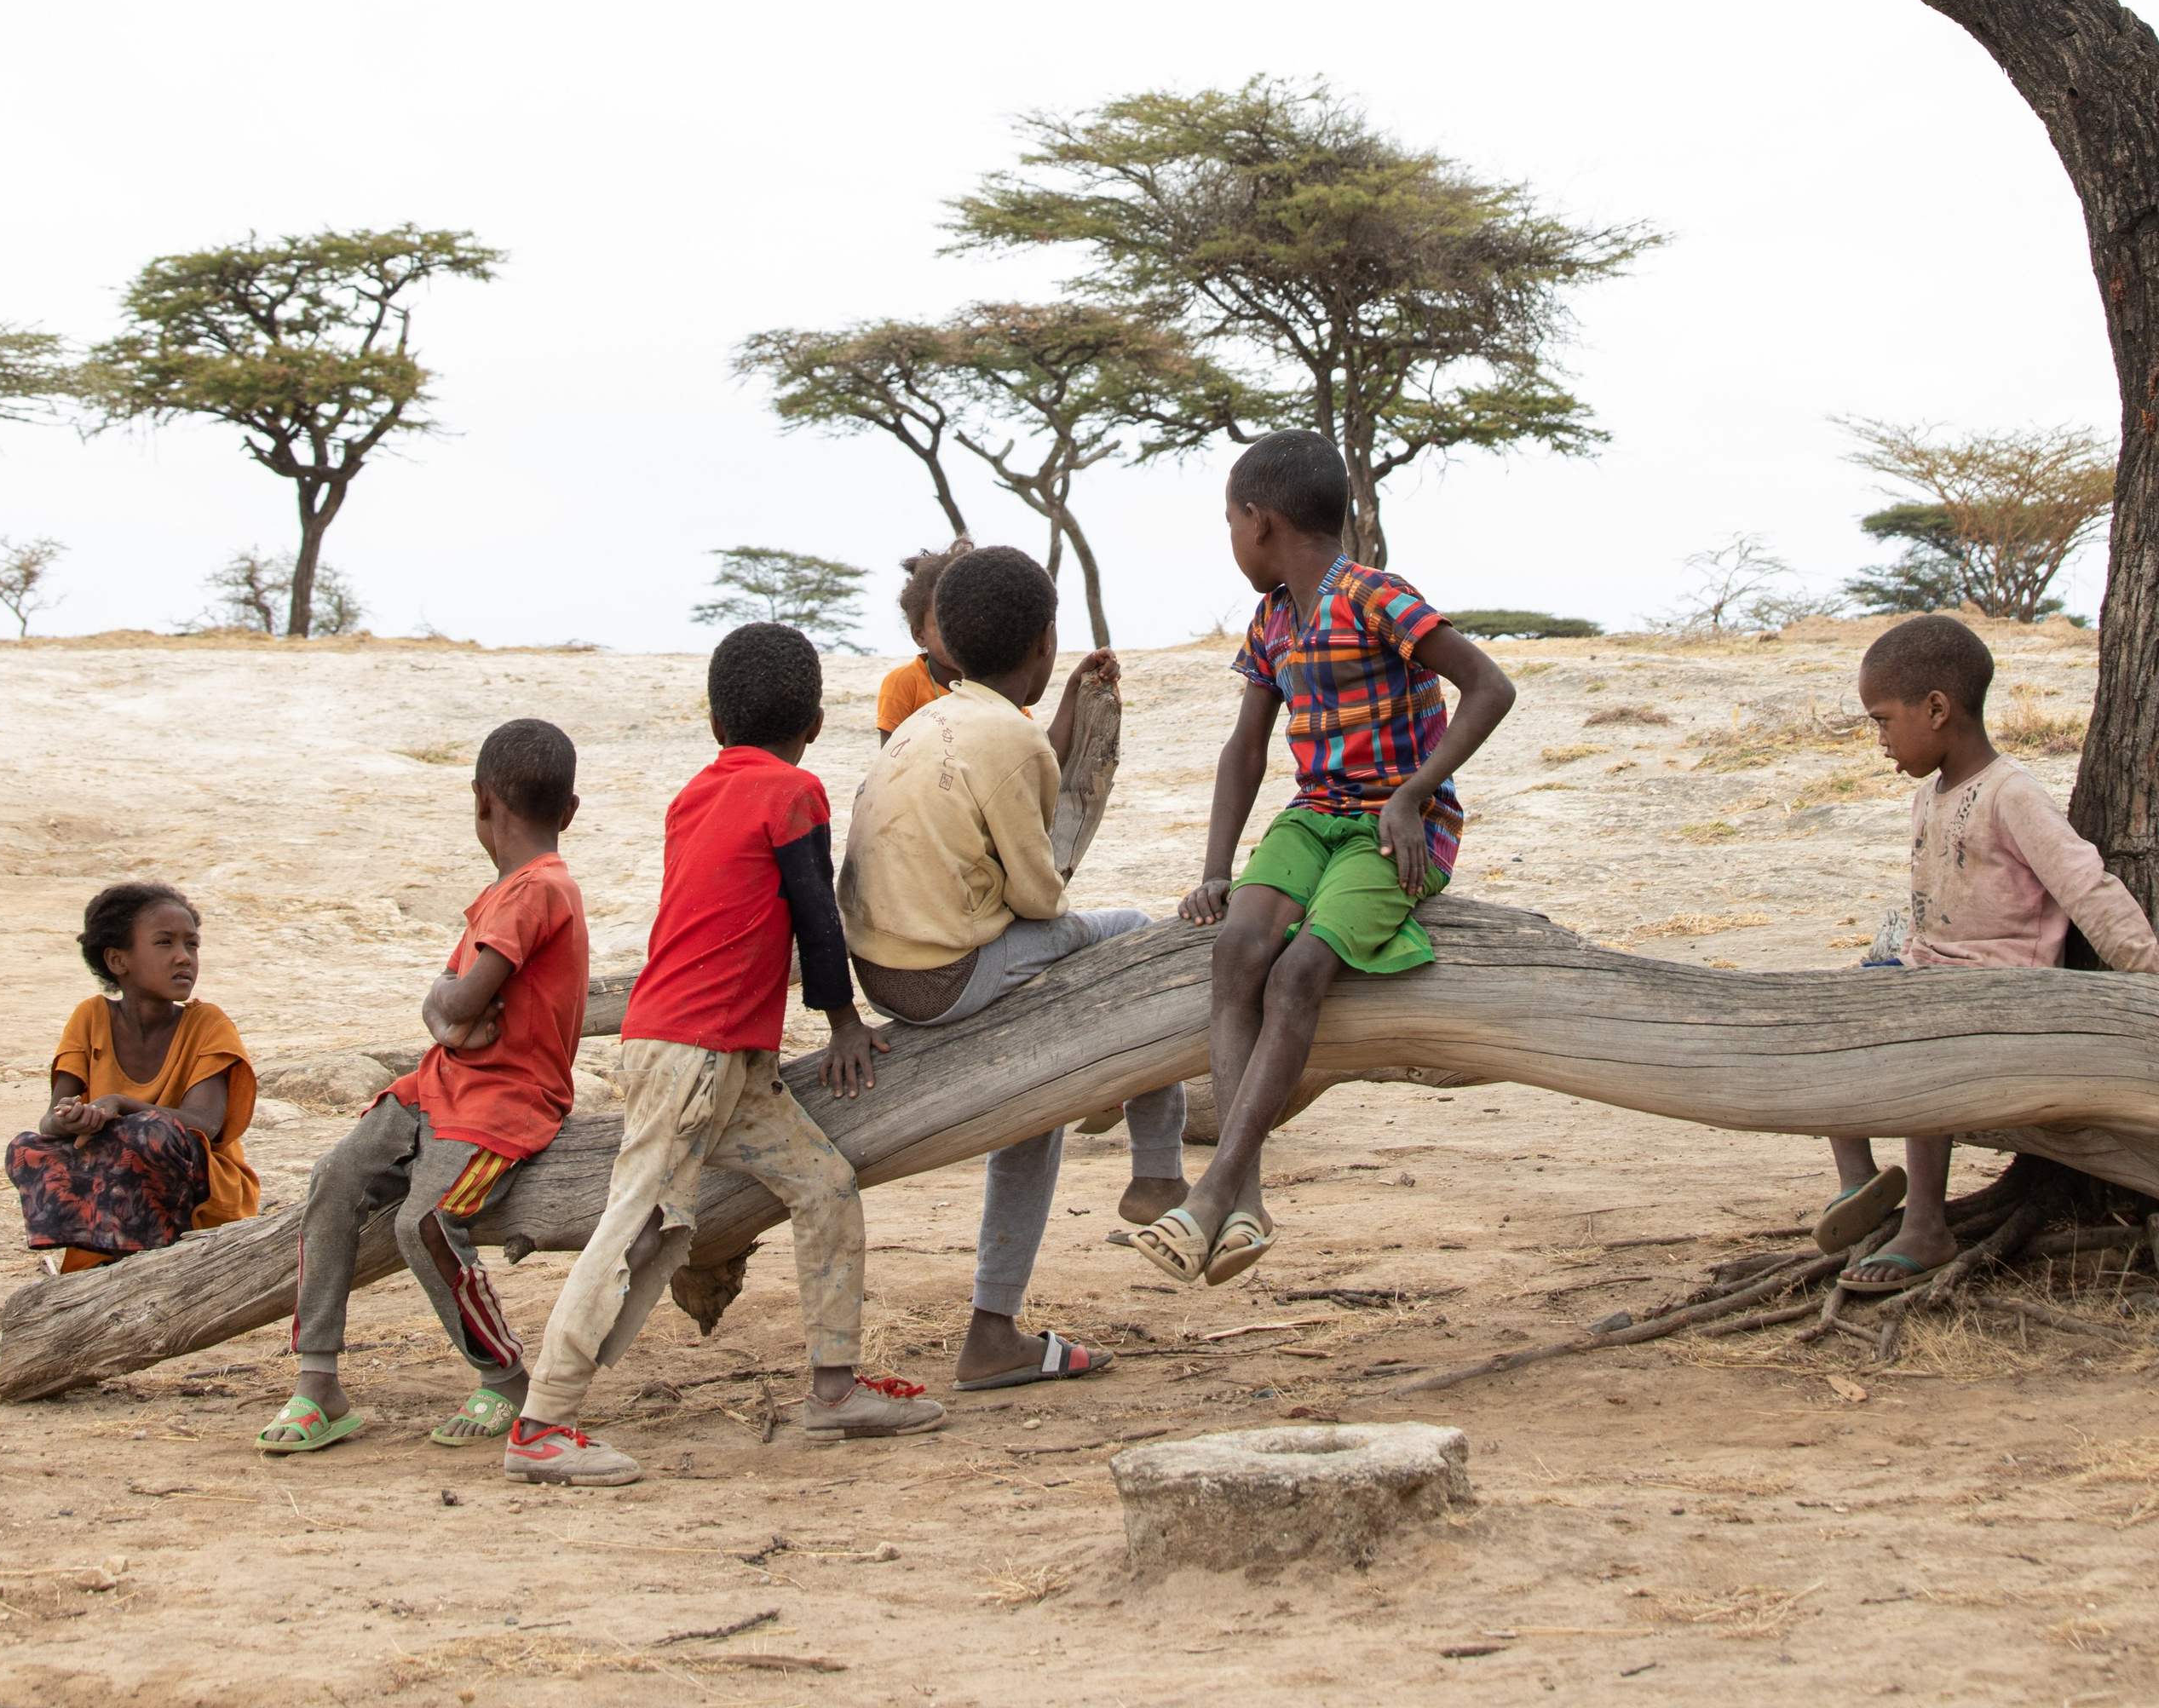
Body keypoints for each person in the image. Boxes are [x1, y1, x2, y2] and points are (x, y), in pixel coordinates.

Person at [507, 622, 944, 1483]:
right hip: (694, 1054)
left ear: (714, 721)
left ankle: (832, 1387)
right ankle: (543, 1424)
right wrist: (843, 1019)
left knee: (823, 1185)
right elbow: (816, 919)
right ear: (814, 722)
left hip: (708, 1052)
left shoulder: (693, 795)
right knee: (633, 1220)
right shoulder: (794, 793)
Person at [1140, 429, 1517, 1291]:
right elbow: (1245, 748)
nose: (1230, 540)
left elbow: (1489, 686)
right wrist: (1215, 867)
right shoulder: (1274, 619)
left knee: (1299, 970)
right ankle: (1247, 1200)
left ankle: (1214, 1189)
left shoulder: (1375, 597)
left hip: (1391, 826)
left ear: (1259, 520)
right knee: (1237, 949)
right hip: (1312, 818)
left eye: (1229, 522)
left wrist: (1414, 792)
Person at [838, 542, 1184, 1390]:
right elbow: (1040, 899)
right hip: (953, 976)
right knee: (1141, 937)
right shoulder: (1015, 741)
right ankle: (1157, 1171)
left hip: (882, 974)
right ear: (1044, 643)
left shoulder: (926, 717)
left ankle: (992, 1333)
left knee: (1034, 1113)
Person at [260, 716, 588, 1457]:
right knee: (333, 1179)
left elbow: (455, 1004)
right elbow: (450, 1012)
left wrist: (449, 1011)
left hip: (506, 1104)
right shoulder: (507, 891)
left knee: (426, 1224)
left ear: (480, 804)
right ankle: (318, 1381)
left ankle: (503, 1376)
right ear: (570, 811)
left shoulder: (540, 891)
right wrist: (449, 1014)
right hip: (438, 1087)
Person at [1819, 612, 2159, 1292]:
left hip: (2008, 1000)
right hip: (1939, 979)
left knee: (1929, 1042)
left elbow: (2087, 885)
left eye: (1882, 720)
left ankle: (1926, 1225)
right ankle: (1859, 1188)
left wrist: (2148, 974)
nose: (1879, 739)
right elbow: (1928, 911)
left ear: (1937, 709)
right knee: (1833, 1011)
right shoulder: (1929, 798)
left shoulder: (2013, 794)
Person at [8, 883, 258, 1273]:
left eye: (191, 945)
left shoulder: (207, 1023)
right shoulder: (90, 1017)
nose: (184, 958)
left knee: (149, 1133)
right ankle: (105, 1249)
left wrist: (119, 1104)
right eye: (165, 943)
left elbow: (205, 1125)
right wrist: (71, 1118)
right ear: (117, 961)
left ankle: (148, 1259)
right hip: (116, 1189)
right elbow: (49, 1122)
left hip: (200, 1193)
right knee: (26, 1148)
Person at [876, 538, 973, 739]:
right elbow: (890, 761)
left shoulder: (998, 679)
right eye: (944, 622)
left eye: (969, 619)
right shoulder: (905, 683)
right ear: (920, 634)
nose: (958, 631)